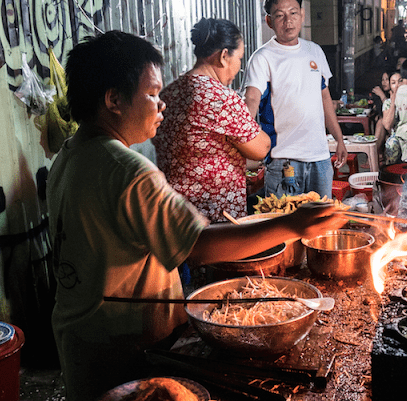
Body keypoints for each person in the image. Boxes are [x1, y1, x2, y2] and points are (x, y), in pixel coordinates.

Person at [48, 30, 346, 401]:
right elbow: (198, 246)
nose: (162, 105)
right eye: (152, 94)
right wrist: (292, 224)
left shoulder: (70, 155)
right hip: (128, 347)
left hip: (80, 338)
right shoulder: (127, 170)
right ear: (113, 100)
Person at [153, 18, 270, 222]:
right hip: (214, 218)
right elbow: (261, 148)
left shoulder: (167, 94)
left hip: (174, 215)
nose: (239, 67)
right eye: (239, 58)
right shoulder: (221, 98)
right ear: (224, 56)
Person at [243, 0, 347, 199]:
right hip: (283, 160)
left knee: (320, 223)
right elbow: (252, 101)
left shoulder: (314, 51)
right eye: (280, 15)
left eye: (293, 13)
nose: (288, 21)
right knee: (285, 225)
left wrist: (339, 139)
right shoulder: (262, 57)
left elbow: (324, 97)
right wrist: (245, 146)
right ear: (269, 21)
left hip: (320, 158)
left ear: (302, 14)